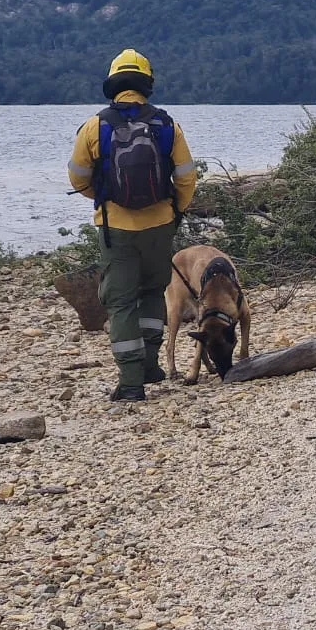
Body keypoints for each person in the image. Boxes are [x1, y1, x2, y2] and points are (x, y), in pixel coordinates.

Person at [67, 49, 198, 401]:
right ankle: (151, 365)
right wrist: (176, 212)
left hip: (116, 228)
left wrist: (105, 198)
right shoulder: (167, 124)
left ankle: (130, 383)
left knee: (121, 301)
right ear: (146, 83)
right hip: (161, 224)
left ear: (113, 83)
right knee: (153, 293)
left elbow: (77, 176)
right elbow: (187, 177)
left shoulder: (96, 125)